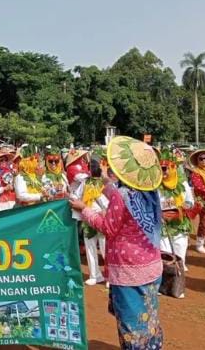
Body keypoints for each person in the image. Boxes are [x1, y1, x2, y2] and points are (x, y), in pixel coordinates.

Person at [70, 136, 163, 350]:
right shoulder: (150, 192)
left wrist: (83, 209)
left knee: (131, 324)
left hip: (128, 269)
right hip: (150, 264)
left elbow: (108, 227)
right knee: (149, 316)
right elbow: (128, 205)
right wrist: (106, 183)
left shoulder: (122, 195)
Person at [157, 147, 194, 275]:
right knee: (165, 256)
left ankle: (178, 284)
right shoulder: (154, 186)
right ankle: (166, 283)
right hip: (162, 225)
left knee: (179, 256)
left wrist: (180, 211)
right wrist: (160, 214)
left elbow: (190, 203)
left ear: (173, 168)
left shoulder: (183, 185)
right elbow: (150, 206)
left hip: (179, 224)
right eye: (160, 169)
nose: (163, 172)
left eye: (165, 168)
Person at [76, 149, 108, 286]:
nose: (93, 169)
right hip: (88, 218)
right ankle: (95, 275)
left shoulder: (106, 183)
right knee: (90, 247)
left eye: (96, 166)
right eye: (91, 166)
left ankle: (110, 276)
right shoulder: (85, 182)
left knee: (105, 247)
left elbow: (111, 201)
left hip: (103, 219)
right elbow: (77, 195)